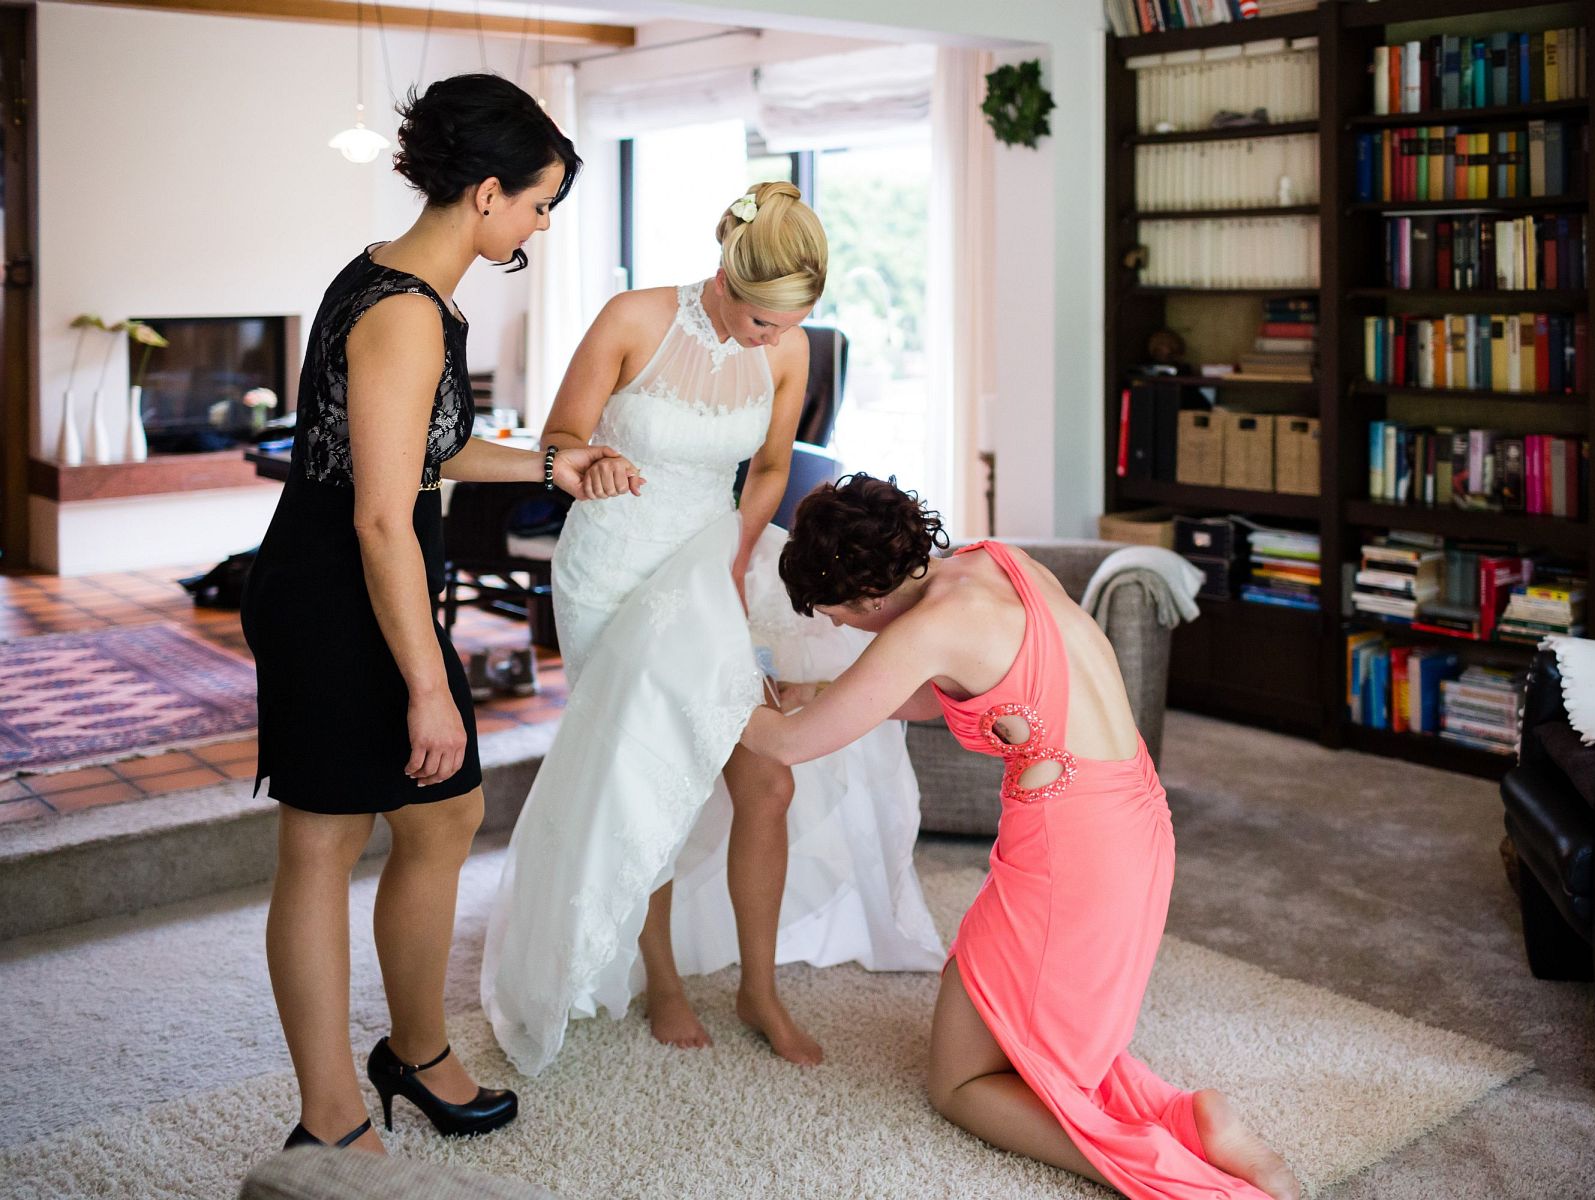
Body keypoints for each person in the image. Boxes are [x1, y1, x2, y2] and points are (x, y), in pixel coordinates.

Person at [480, 181, 941, 1077]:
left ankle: (758, 988)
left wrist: (732, 556)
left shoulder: (788, 350)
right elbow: (560, 435)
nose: (770, 341)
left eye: (788, 326)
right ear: (727, 274)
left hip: (710, 561)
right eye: (762, 322)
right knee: (649, 773)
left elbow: (771, 464)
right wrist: (591, 456)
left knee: (764, 784)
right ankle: (662, 980)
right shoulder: (631, 318)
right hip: (612, 568)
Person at [240, 73, 622, 1153]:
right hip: (338, 592)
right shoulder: (405, 314)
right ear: (488, 193)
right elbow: (377, 516)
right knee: (323, 839)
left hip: (367, 576)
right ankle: (330, 1121)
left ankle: (413, 1053)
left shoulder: (402, 282)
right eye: (541, 202)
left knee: (443, 813)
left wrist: (553, 459)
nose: (543, 223)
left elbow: (430, 451)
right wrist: (425, 684)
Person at [738, 475, 1300, 1200]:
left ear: (871, 598)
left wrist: (713, 693)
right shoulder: (994, 561)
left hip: (1076, 856)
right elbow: (956, 688)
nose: (840, 627)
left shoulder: (924, 630)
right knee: (987, 1020)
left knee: (961, 1084)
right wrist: (833, 692)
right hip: (1128, 821)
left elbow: (786, 746)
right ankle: (1189, 1117)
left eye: (838, 613)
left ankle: (1173, 1166)